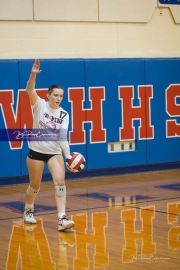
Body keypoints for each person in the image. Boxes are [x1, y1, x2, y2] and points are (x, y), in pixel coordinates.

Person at [23, 59, 74, 231]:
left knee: (60, 181)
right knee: (35, 186)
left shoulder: (64, 114)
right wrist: (33, 74)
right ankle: (28, 210)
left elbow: (62, 137)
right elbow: (29, 89)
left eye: (61, 96)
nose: (58, 98)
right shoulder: (40, 105)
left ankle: (62, 219)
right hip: (36, 151)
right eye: (55, 95)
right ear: (48, 95)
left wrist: (68, 156)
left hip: (54, 153)